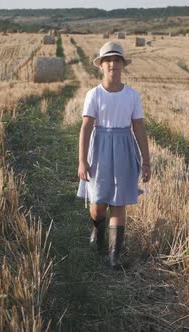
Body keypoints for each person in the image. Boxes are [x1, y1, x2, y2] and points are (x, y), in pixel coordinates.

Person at [76, 41, 151, 269]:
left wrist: (146, 161)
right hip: (99, 149)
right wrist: (82, 160)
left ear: (122, 65)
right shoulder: (94, 95)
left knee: (119, 203)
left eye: (116, 60)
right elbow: (86, 128)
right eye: (108, 60)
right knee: (98, 202)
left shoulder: (132, 95)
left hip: (125, 149)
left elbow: (139, 127)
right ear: (101, 65)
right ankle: (97, 230)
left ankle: (113, 256)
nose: (112, 64)